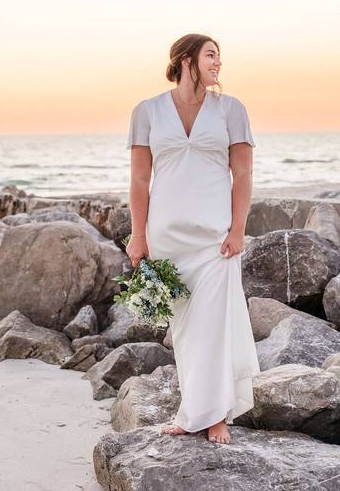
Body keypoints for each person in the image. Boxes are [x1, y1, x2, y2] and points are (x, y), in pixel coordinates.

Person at [125, 33, 261, 445]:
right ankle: (194, 411)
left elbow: (243, 175)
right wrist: (137, 236)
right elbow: (139, 179)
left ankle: (216, 414)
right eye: (211, 56)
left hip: (216, 236)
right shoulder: (147, 112)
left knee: (215, 324)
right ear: (187, 60)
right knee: (185, 329)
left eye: (218, 57)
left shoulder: (231, 109)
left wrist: (238, 229)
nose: (218, 63)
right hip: (167, 235)